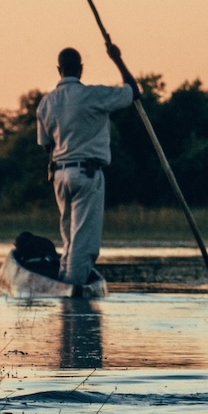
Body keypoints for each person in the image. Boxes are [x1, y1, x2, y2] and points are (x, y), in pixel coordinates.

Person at [35, 46, 135, 292]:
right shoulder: (93, 95)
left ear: (59, 70)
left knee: (69, 236)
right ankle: (74, 291)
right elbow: (133, 92)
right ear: (80, 69)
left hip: (59, 174)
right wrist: (117, 59)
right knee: (83, 240)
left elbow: (46, 144)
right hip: (88, 173)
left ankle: (65, 280)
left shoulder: (46, 103)